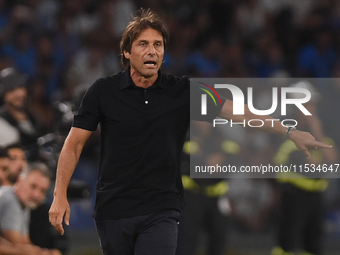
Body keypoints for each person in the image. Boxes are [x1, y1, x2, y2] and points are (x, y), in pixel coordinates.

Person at [49, 8, 332, 255]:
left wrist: (289, 132)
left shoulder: (181, 90)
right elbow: (74, 144)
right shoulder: (103, 91)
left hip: (162, 208)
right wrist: (59, 194)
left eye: (158, 45)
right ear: (126, 51)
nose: (152, 51)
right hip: (114, 209)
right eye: (143, 44)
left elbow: (238, 112)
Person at [0, 162, 62, 255]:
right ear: (20, 180)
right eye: (33, 186)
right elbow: (18, 246)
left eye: (42, 191)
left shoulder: (23, 204)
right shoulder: (10, 200)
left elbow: (25, 243)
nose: (36, 195)